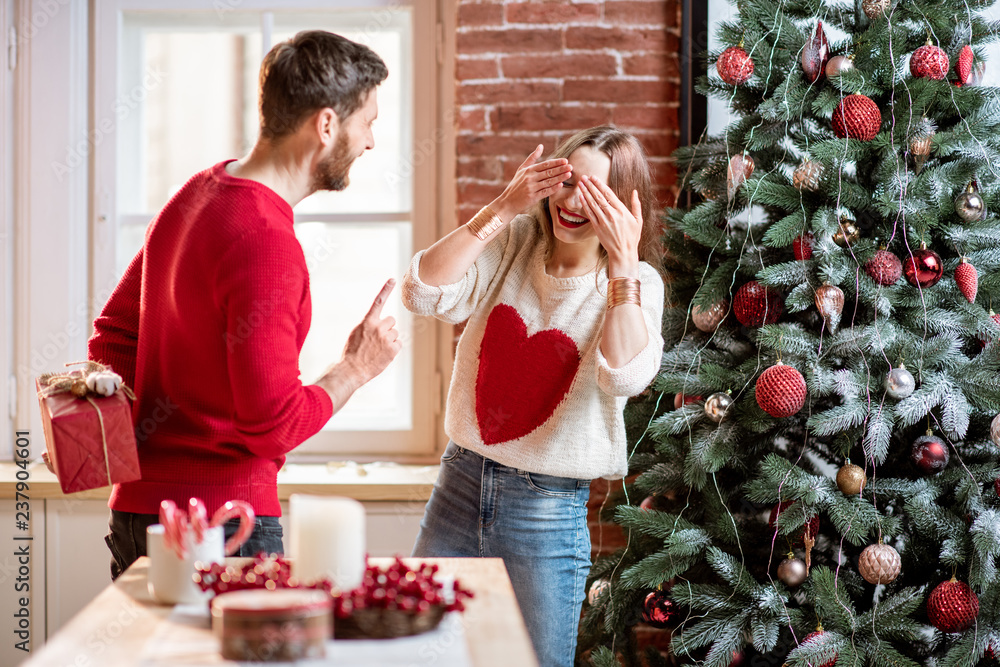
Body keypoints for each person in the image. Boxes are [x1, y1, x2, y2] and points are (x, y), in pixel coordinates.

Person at [84, 30, 401, 580]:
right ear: (327, 125)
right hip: (223, 527)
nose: (371, 141)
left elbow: (113, 333)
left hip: (137, 514)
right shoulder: (266, 242)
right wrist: (355, 369)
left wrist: (133, 458)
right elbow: (271, 426)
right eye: (367, 122)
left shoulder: (195, 193)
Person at [402, 125, 665, 667]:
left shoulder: (638, 282)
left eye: (595, 193)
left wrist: (622, 262)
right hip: (459, 482)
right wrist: (503, 206)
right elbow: (423, 290)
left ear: (621, 207)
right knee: (416, 654)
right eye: (567, 182)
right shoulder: (518, 239)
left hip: (545, 510)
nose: (572, 202)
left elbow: (624, 376)